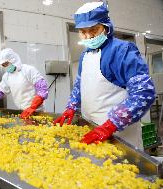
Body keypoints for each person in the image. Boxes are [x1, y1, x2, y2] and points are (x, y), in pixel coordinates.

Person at [54, 2, 155, 149]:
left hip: (119, 135)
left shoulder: (122, 50)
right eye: (83, 31)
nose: (88, 36)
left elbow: (143, 93)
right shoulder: (85, 55)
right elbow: (80, 84)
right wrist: (71, 106)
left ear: (106, 26)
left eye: (94, 30)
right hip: (91, 129)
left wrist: (110, 125)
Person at [0, 48, 49, 119]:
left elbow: (42, 89)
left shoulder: (28, 70)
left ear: (13, 59)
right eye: (3, 65)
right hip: (22, 111)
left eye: (6, 64)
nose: (5, 67)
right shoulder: (7, 76)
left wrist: (32, 107)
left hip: (37, 111)